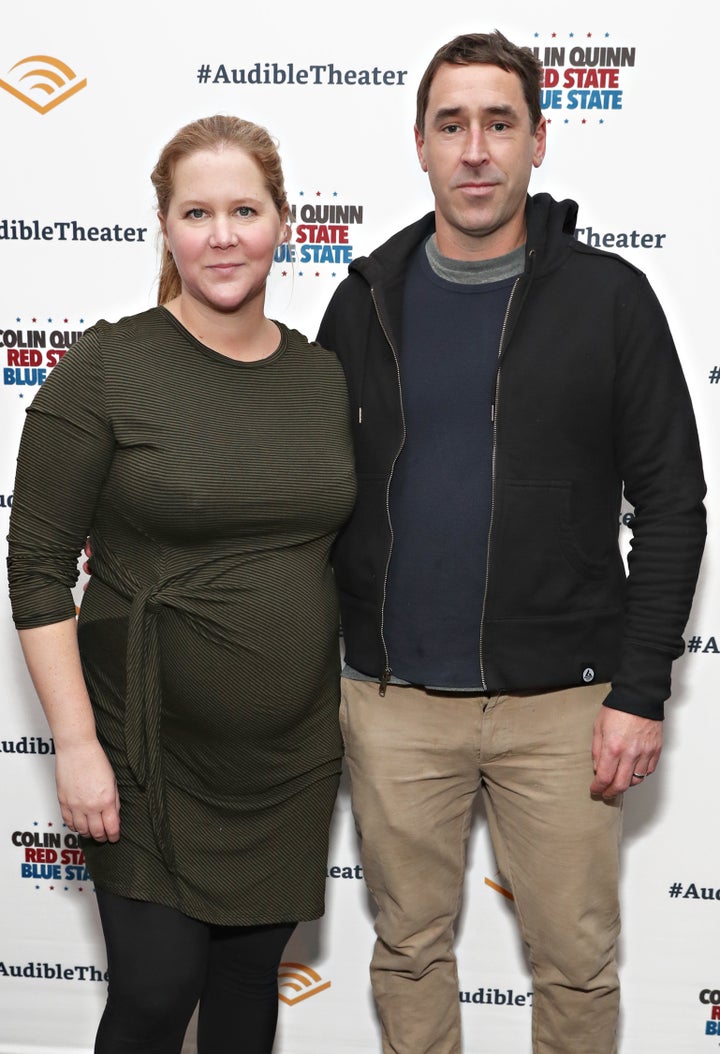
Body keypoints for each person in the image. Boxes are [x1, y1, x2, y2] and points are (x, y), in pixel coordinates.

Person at [317, 30, 706, 1054]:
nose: (475, 149)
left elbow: (673, 502)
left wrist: (637, 688)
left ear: (540, 138)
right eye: (453, 125)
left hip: (567, 707)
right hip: (395, 702)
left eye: (499, 123)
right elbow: (311, 494)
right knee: (407, 949)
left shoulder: (610, 300)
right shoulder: (361, 302)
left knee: (575, 965)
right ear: (420, 144)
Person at [7, 114, 356, 1054]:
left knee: (246, 994)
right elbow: (36, 567)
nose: (222, 234)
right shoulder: (110, 365)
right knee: (158, 995)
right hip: (142, 753)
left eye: (244, 209)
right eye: (196, 212)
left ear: (283, 220)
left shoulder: (324, 378)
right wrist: (75, 746)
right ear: (164, 226)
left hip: (289, 761)